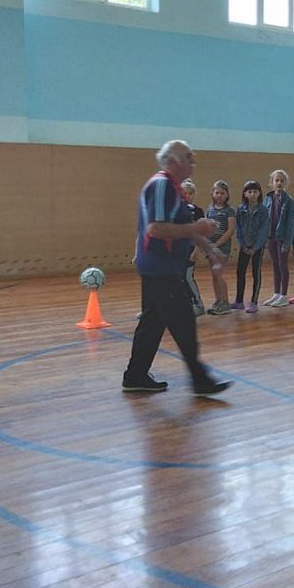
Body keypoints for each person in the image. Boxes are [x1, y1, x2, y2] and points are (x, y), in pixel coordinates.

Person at [122, 140, 230, 396]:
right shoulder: (162, 185)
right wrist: (198, 228)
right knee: (183, 322)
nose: (193, 161)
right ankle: (200, 380)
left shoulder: (174, 189)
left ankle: (135, 375)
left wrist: (210, 249)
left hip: (160, 267)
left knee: (152, 322)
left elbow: (185, 229)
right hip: (161, 268)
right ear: (172, 161)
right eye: (188, 157)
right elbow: (156, 229)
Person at [262, 169, 294, 308]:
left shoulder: (289, 201)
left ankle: (283, 295)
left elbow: (291, 223)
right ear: (272, 182)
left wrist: (287, 242)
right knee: (275, 265)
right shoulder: (268, 198)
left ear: (286, 183)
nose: (279, 183)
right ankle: (276, 293)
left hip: (282, 238)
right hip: (271, 237)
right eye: (276, 180)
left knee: (283, 265)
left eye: (282, 181)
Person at [234, 180, 268, 313]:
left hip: (257, 247)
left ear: (259, 193)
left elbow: (263, 231)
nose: (252, 194)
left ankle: (254, 301)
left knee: (256, 272)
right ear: (245, 194)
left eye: (255, 191)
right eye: (249, 191)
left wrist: (255, 247)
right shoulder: (240, 209)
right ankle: (239, 301)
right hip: (244, 246)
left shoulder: (263, 210)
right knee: (240, 271)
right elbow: (238, 228)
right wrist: (243, 245)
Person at [206, 180, 236, 316]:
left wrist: (216, 245)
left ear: (227, 195)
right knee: (214, 275)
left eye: (222, 193)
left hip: (222, 249)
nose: (219, 195)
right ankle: (219, 301)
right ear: (212, 194)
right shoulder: (210, 210)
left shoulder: (229, 211)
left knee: (218, 274)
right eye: (217, 192)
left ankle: (225, 303)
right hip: (210, 249)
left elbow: (230, 231)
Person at [180, 179, 207, 317]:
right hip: (178, 250)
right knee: (180, 278)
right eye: (184, 193)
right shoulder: (176, 211)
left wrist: (197, 250)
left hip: (191, 249)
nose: (187, 196)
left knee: (188, 276)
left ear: (194, 194)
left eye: (190, 193)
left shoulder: (198, 211)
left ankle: (198, 304)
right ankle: (186, 304)